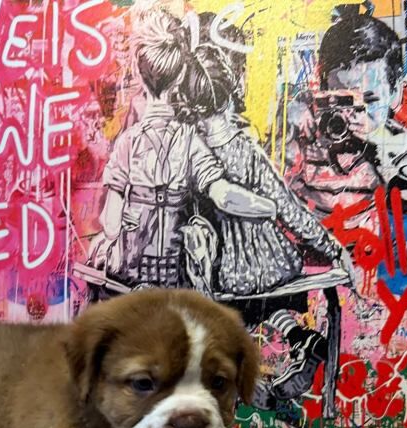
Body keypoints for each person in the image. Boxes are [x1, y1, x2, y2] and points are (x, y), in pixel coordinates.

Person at [87, 10, 277, 289]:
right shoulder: (189, 140)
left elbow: (111, 222)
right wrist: (269, 207)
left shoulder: (127, 142)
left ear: (139, 76)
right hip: (176, 277)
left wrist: (123, 221)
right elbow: (224, 196)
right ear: (179, 80)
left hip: (133, 275)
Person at [178, 44, 354, 297]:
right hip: (265, 267)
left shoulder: (186, 149)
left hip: (208, 274)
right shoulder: (245, 151)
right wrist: (334, 249)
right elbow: (288, 210)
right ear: (229, 93)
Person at [272, 4, 405, 218]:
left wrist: (379, 146)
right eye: (342, 100)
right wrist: (287, 135)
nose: (353, 114)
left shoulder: (400, 144)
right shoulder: (308, 127)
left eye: (369, 100)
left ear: (395, 92)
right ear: (323, 91)